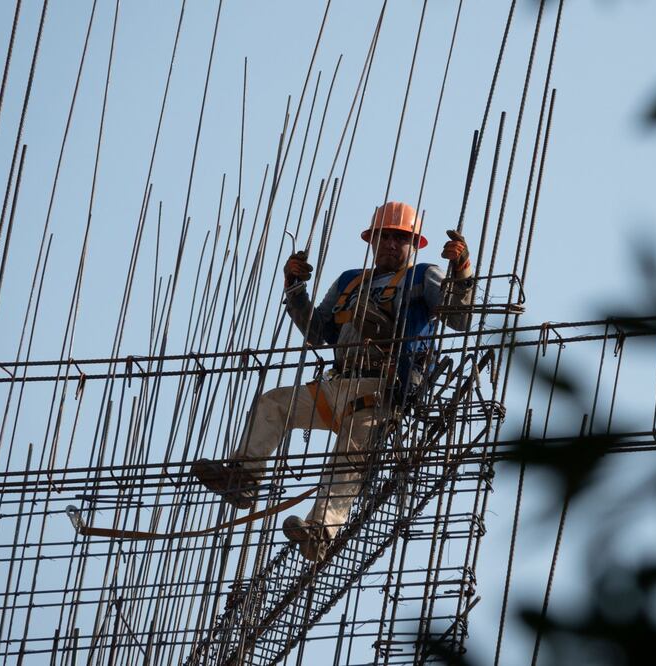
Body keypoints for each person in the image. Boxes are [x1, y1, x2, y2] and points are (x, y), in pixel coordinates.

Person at [192, 201, 474, 560]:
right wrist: (295, 289)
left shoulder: (424, 276)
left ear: (414, 244)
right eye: (384, 236)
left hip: (381, 389)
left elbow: (460, 318)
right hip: (338, 383)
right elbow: (317, 331)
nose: (390, 244)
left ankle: (320, 531)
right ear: (372, 240)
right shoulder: (349, 281)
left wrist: (460, 270)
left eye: (399, 238)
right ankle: (244, 478)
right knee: (273, 403)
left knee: (350, 456)